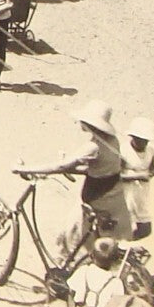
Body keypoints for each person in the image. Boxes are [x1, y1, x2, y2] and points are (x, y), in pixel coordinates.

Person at [18, 99, 129, 237]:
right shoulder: (112, 141)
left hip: (95, 196)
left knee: (69, 235)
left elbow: (60, 166)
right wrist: (69, 168)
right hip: (112, 192)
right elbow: (98, 168)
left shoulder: (92, 147)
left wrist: (25, 169)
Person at [120, 118, 154, 240]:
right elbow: (115, 175)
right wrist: (137, 176)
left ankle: (124, 244)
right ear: (133, 137)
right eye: (140, 140)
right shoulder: (123, 150)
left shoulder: (150, 150)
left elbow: (150, 170)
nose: (143, 143)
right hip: (126, 193)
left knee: (145, 229)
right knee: (124, 225)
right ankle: (117, 245)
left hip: (141, 194)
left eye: (145, 140)